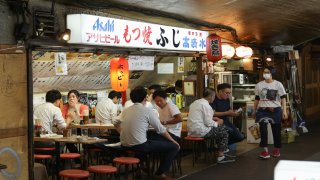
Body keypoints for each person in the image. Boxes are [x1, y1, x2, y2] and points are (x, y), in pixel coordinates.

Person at [120, 87, 180, 179]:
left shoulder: (125, 110)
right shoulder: (147, 110)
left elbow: (115, 121)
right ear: (145, 98)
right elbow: (161, 129)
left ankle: (142, 166)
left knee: (146, 139)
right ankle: (160, 173)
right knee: (174, 147)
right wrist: (173, 141)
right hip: (140, 146)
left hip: (124, 145)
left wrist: (120, 132)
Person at [188, 88, 235, 164]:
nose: (214, 98)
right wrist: (219, 122)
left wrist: (213, 118)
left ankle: (222, 150)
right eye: (214, 96)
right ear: (211, 96)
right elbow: (209, 123)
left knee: (219, 130)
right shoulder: (206, 105)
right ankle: (221, 155)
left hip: (192, 131)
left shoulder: (195, 103)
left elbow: (201, 117)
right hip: (201, 131)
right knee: (224, 130)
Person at [252, 66, 287, 159]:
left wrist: (285, 111)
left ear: (272, 73)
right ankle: (265, 151)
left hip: (275, 110)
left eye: (267, 72)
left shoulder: (278, 84)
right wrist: (254, 110)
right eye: (264, 72)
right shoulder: (259, 85)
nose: (265, 74)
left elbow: (283, 98)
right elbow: (256, 98)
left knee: (276, 131)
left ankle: (276, 149)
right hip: (262, 110)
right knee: (263, 131)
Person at [210, 83, 245, 148]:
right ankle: (221, 148)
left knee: (241, 137)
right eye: (227, 93)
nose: (228, 95)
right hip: (216, 123)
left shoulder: (227, 99)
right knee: (230, 131)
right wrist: (226, 113)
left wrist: (234, 113)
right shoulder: (213, 99)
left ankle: (222, 146)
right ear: (220, 91)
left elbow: (228, 111)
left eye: (229, 93)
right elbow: (211, 113)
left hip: (226, 121)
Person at [61, 90, 89, 159]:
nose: (71, 98)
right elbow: (61, 119)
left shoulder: (84, 107)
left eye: (73, 96)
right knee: (67, 140)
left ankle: (83, 158)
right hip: (68, 130)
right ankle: (77, 160)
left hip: (80, 130)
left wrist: (76, 108)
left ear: (78, 98)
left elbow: (82, 120)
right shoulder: (65, 107)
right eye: (69, 97)